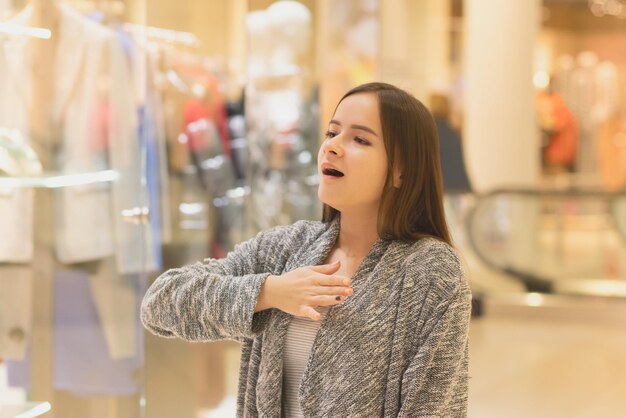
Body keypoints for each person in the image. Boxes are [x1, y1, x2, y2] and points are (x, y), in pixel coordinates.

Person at [141, 82, 472, 417]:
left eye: (360, 139)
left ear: (400, 170)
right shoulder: (284, 249)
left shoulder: (430, 272)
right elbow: (159, 303)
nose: (332, 148)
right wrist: (269, 292)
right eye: (332, 133)